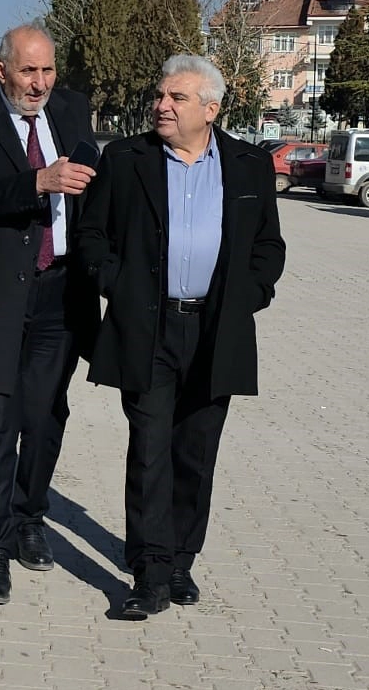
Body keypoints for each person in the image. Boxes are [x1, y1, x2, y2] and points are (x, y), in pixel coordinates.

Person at [75, 54, 285, 619]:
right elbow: (92, 234)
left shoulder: (249, 165)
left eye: (177, 98)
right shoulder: (126, 159)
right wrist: (116, 285)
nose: (161, 106)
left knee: (195, 452)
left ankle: (180, 562)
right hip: (148, 325)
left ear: (210, 109)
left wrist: (249, 295)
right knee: (149, 450)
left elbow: (269, 245)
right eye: (160, 95)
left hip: (216, 329)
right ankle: (149, 574)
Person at [0, 23, 100, 606]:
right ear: (1, 69)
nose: (40, 83)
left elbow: (94, 176)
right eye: (29, 71)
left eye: (48, 70)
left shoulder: (73, 110)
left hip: (60, 293)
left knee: (47, 415)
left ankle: (30, 516)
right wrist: (38, 182)